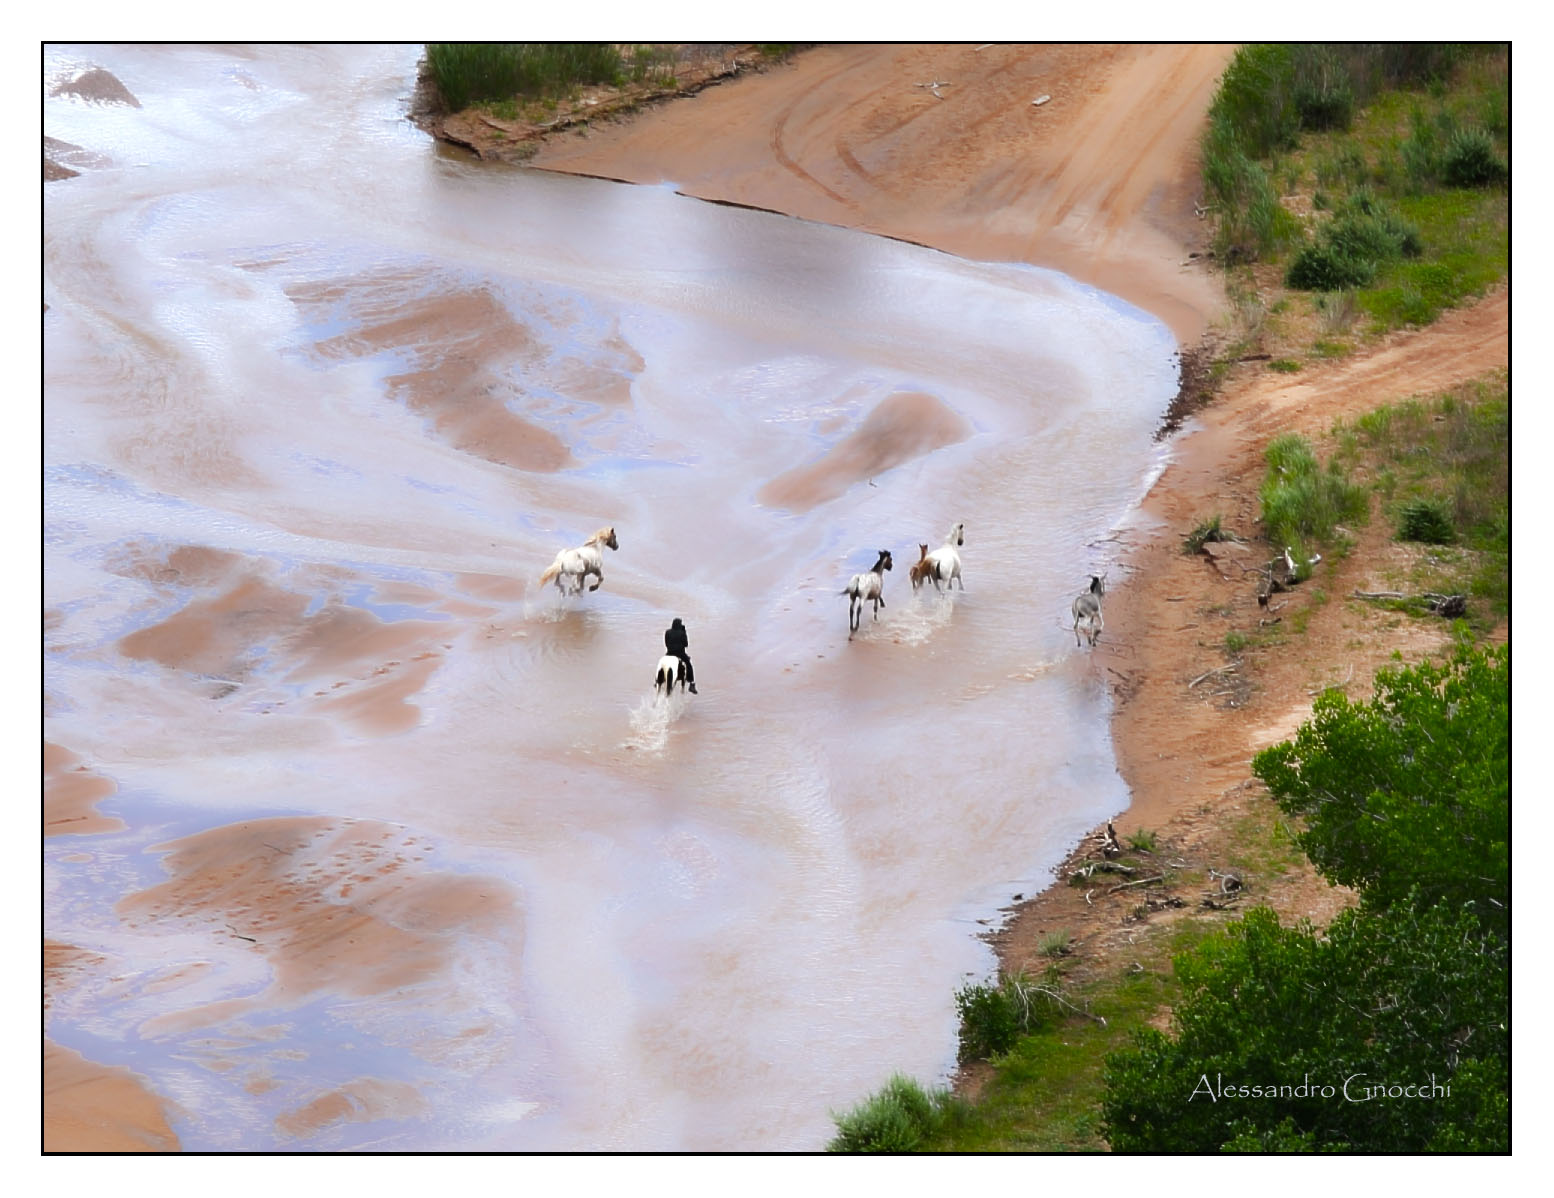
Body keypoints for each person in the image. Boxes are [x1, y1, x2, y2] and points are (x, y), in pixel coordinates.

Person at [664, 617, 697, 694]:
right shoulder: (682, 633)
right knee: (689, 665)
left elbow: (666, 643)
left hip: (669, 653)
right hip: (680, 654)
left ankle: (657, 682)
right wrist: (684, 632)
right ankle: (691, 684)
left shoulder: (667, 632)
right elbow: (686, 644)